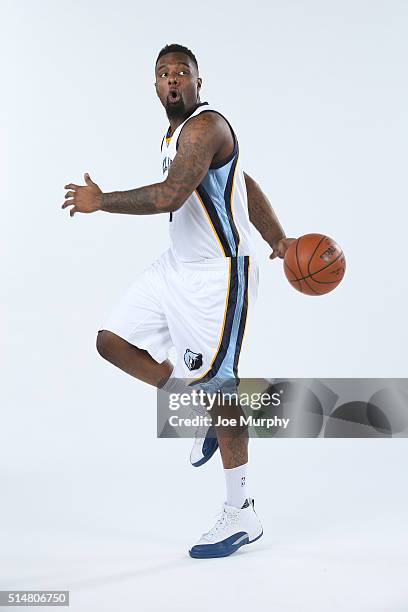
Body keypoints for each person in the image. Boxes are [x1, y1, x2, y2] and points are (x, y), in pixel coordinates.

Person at [62, 43, 294, 558]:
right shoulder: (174, 133)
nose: (173, 80)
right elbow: (242, 182)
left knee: (222, 386)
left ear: (198, 82)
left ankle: (243, 511)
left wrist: (102, 202)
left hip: (219, 277)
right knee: (111, 341)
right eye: (164, 74)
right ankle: (190, 404)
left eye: (182, 73)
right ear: (155, 86)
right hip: (176, 269)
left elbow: (171, 195)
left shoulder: (207, 127)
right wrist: (278, 235)